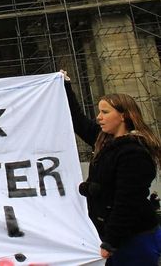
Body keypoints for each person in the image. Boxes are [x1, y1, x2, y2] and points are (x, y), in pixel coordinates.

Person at [62, 70, 161, 265]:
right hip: (113, 236)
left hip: (133, 238)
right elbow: (78, 121)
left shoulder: (134, 153)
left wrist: (110, 243)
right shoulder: (104, 141)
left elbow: (127, 201)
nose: (99, 117)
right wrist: (65, 86)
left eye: (105, 112)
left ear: (124, 116)